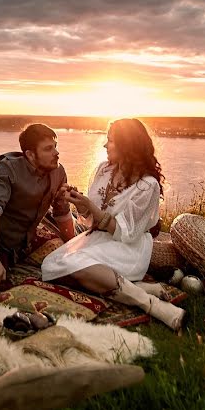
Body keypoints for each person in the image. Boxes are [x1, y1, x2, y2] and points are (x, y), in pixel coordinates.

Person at [40, 118, 186, 331]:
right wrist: (80, 203)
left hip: (129, 248)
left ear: (128, 145)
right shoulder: (103, 170)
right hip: (98, 239)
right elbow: (91, 219)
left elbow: (125, 233)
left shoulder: (147, 186)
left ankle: (151, 305)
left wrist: (91, 206)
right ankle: (137, 287)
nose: (104, 145)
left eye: (110, 141)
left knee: (75, 264)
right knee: (51, 266)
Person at [0, 124, 77, 290]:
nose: (56, 153)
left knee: (69, 273)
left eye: (55, 146)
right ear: (30, 155)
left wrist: (75, 249)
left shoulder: (58, 172)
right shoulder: (8, 168)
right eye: (48, 149)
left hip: (16, 245)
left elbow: (62, 213)